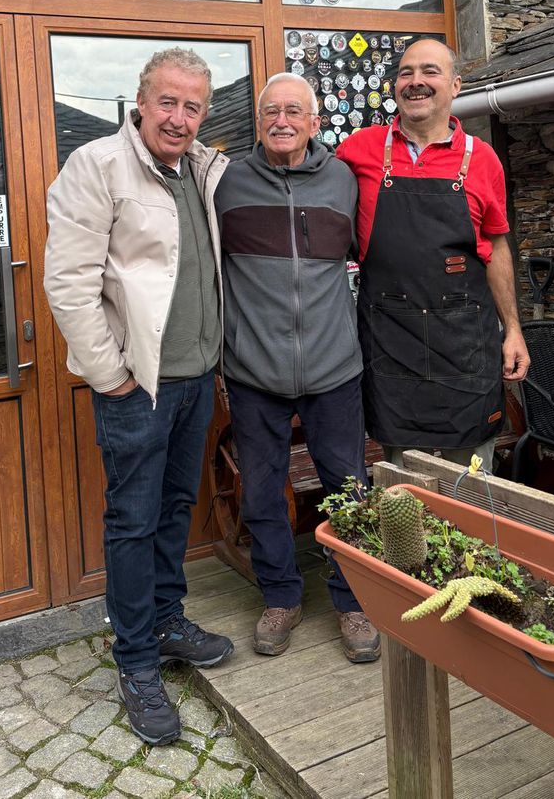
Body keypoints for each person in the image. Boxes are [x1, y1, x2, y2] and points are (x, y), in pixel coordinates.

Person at [43, 47, 234, 747]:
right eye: (168, 102)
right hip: (138, 386)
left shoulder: (202, 171)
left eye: (192, 106)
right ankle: (137, 662)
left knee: (175, 509)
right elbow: (68, 284)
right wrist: (111, 374)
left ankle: (165, 618)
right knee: (132, 518)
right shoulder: (98, 166)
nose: (179, 117)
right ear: (140, 101)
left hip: (194, 379)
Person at [214, 72, 380, 664]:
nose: (281, 120)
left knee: (348, 489)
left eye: (294, 111)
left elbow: (372, 254)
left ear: (315, 121)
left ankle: (353, 598)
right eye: (269, 112)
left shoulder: (343, 180)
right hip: (254, 368)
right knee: (261, 490)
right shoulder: (225, 182)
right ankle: (281, 596)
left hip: (335, 366)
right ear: (257, 123)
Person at [336, 38, 530, 469]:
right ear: (394, 86)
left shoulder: (483, 160)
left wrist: (513, 329)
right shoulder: (356, 152)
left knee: (471, 491)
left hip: (466, 347)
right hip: (391, 347)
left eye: (430, 71)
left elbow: (496, 245)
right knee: (403, 495)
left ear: (456, 85)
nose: (416, 82)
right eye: (406, 73)